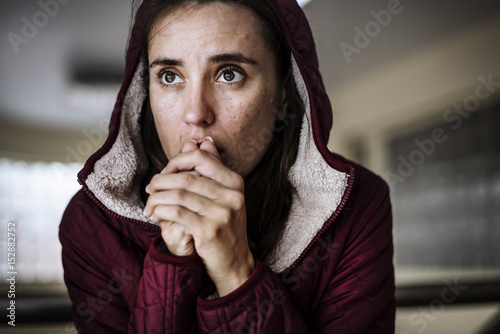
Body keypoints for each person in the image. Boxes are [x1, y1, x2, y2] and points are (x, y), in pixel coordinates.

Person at [59, 0, 395, 332]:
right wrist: (171, 262)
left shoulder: (357, 206)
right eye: (170, 76)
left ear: (283, 96)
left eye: (229, 74)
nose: (195, 113)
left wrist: (236, 273)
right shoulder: (91, 223)